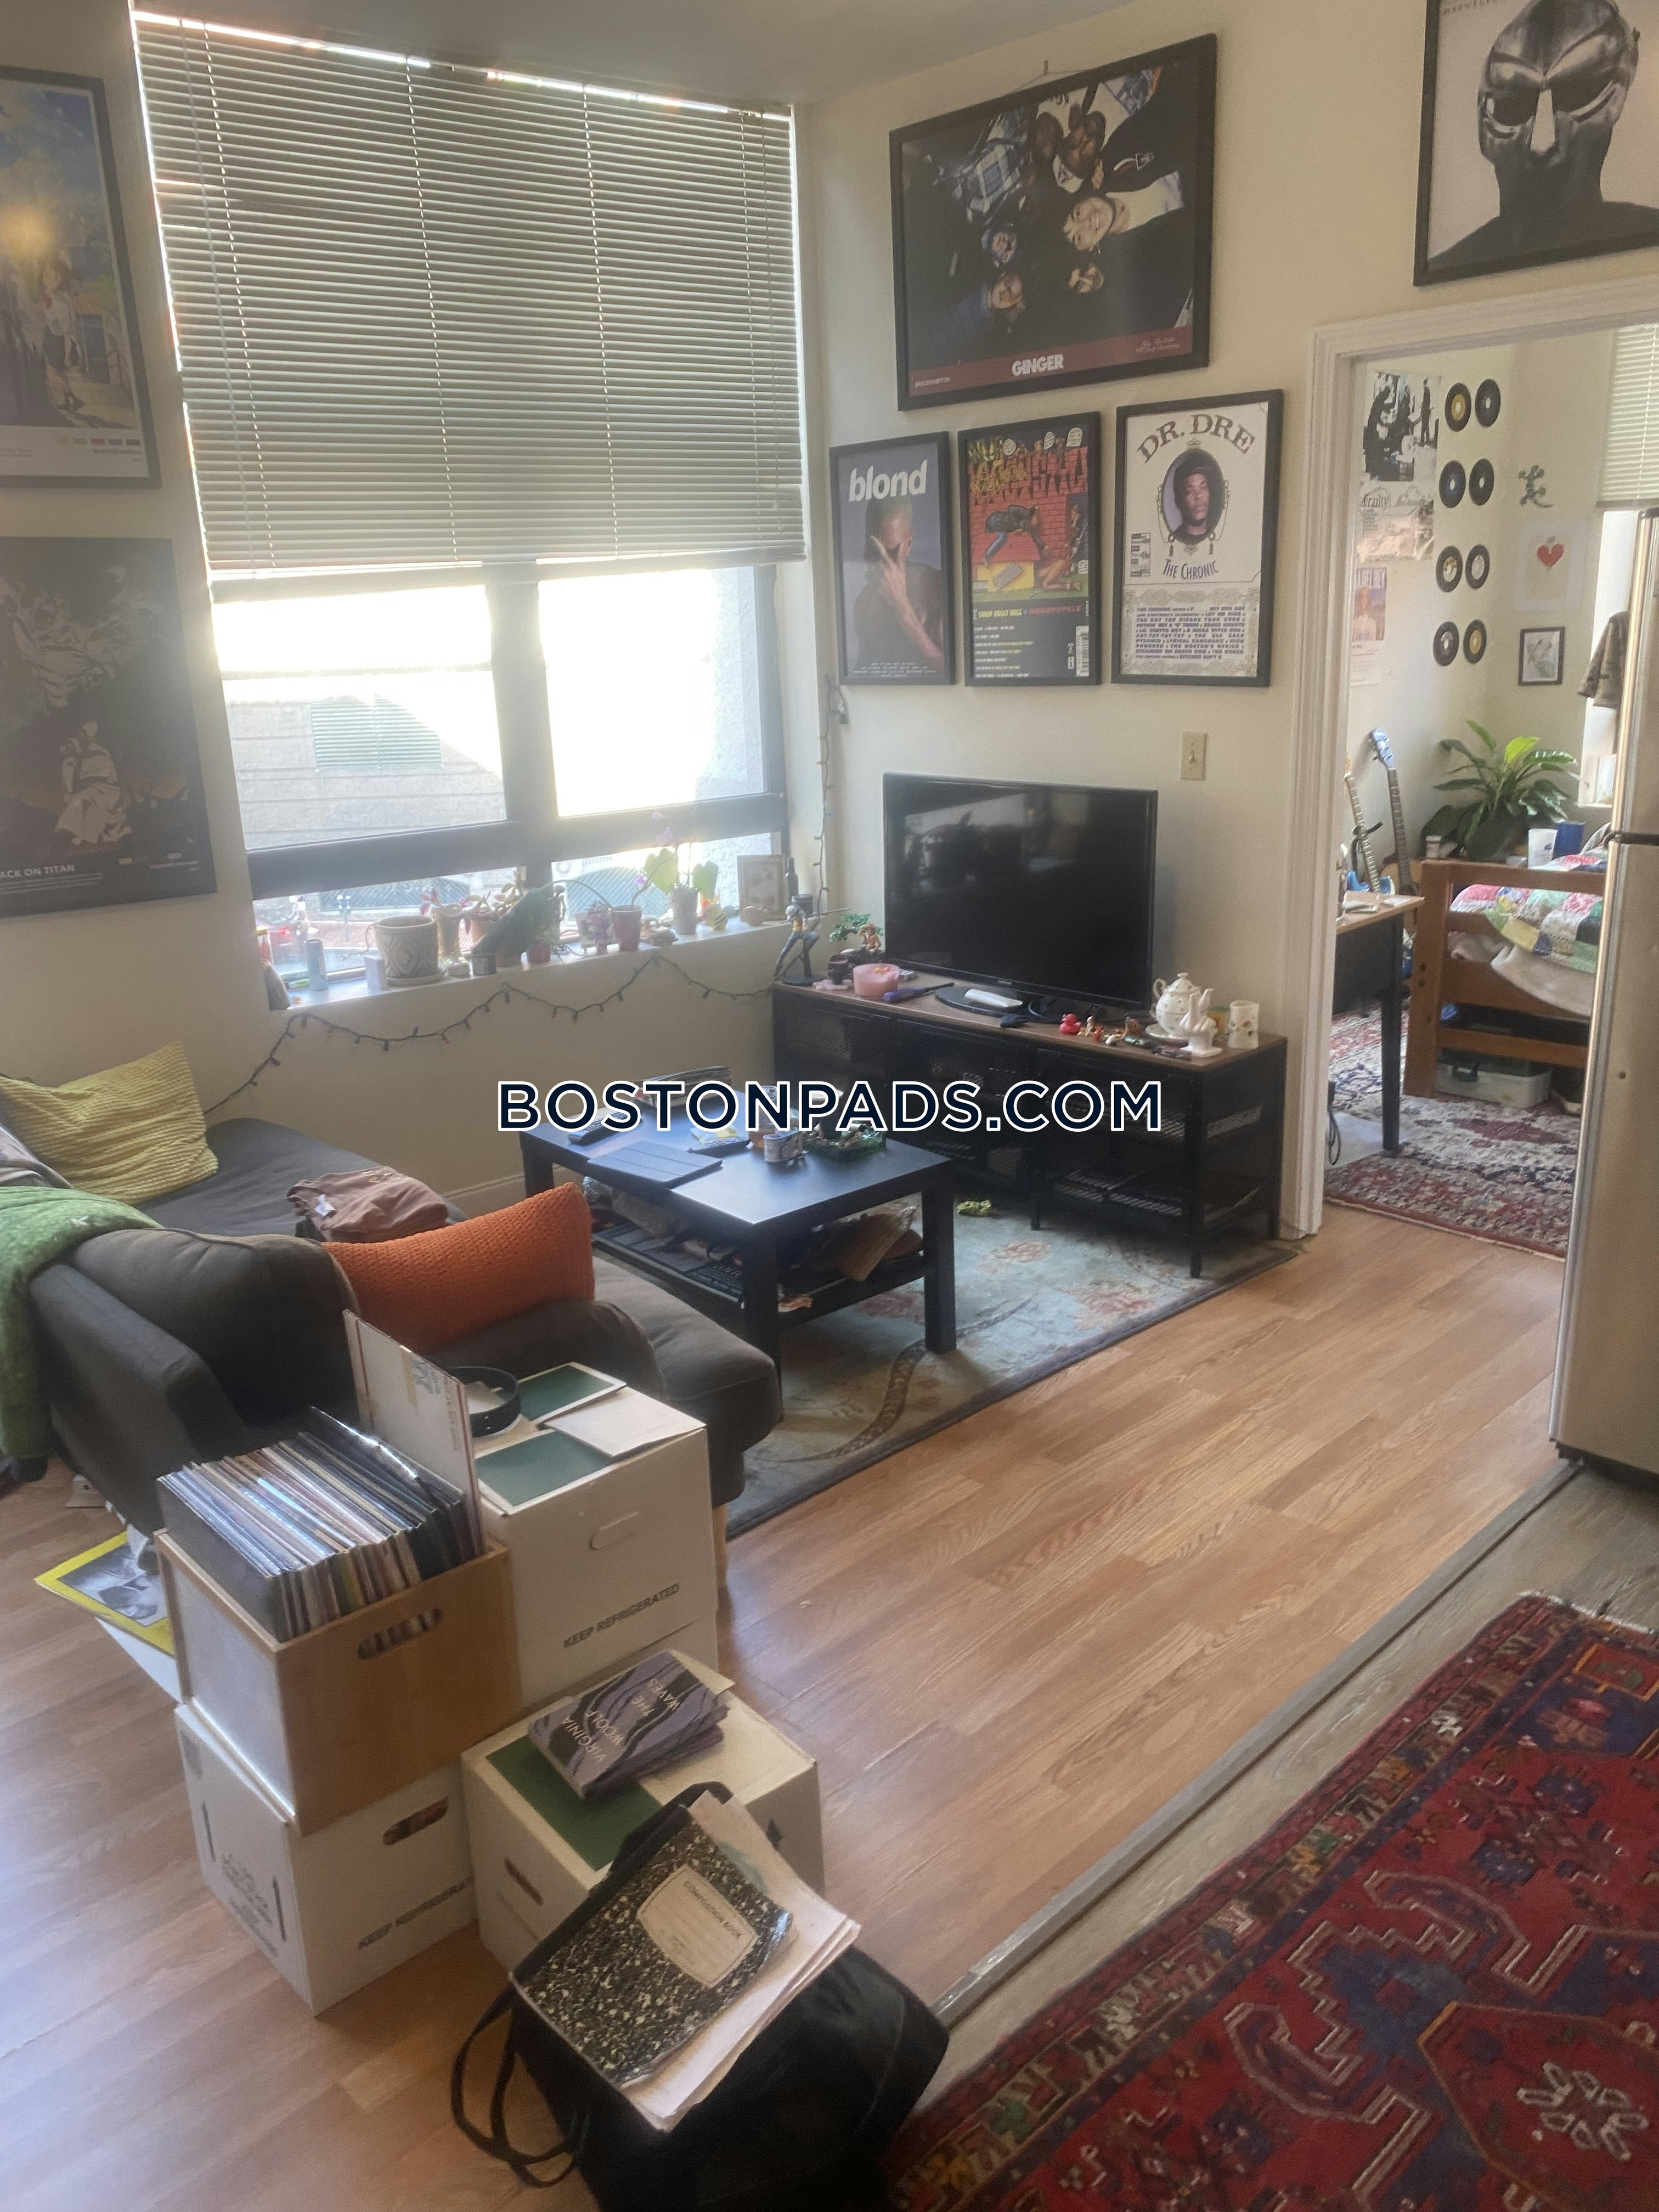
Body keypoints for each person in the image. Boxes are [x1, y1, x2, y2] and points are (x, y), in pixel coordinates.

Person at [1429, 0, 1659, 272]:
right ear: (1483, 109)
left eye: (1574, 94)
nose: (1542, 141)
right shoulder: (1450, 267)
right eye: (1515, 104)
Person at [852, 496, 945, 676]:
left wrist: (901, 605)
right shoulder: (863, 604)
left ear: (909, 544)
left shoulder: (935, 588)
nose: (882, 563)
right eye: (874, 551)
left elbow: (952, 670)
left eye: (890, 552)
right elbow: (865, 674)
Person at [1166, 450, 1227, 548]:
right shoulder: (1175, 541)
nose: (1198, 496)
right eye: (1190, 491)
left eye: (1203, 487)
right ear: (1179, 501)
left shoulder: (1223, 539)